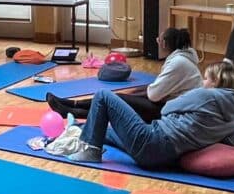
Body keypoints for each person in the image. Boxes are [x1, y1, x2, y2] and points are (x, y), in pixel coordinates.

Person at [67, 60, 234, 168]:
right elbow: (231, 144)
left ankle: (91, 152)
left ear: (215, 82)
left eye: (206, 78)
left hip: (151, 141)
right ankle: (76, 127)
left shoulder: (206, 95)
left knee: (103, 96)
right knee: (111, 132)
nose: (203, 81)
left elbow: (166, 109)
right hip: (166, 158)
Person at [47, 28, 203, 123]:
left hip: (171, 112)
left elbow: (155, 94)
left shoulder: (178, 63)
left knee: (116, 101)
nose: (157, 42)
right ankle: (71, 105)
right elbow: (158, 90)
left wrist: (139, 93)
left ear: (165, 44)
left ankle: (71, 110)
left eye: (159, 40)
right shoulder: (181, 59)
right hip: (169, 105)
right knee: (120, 98)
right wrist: (138, 92)